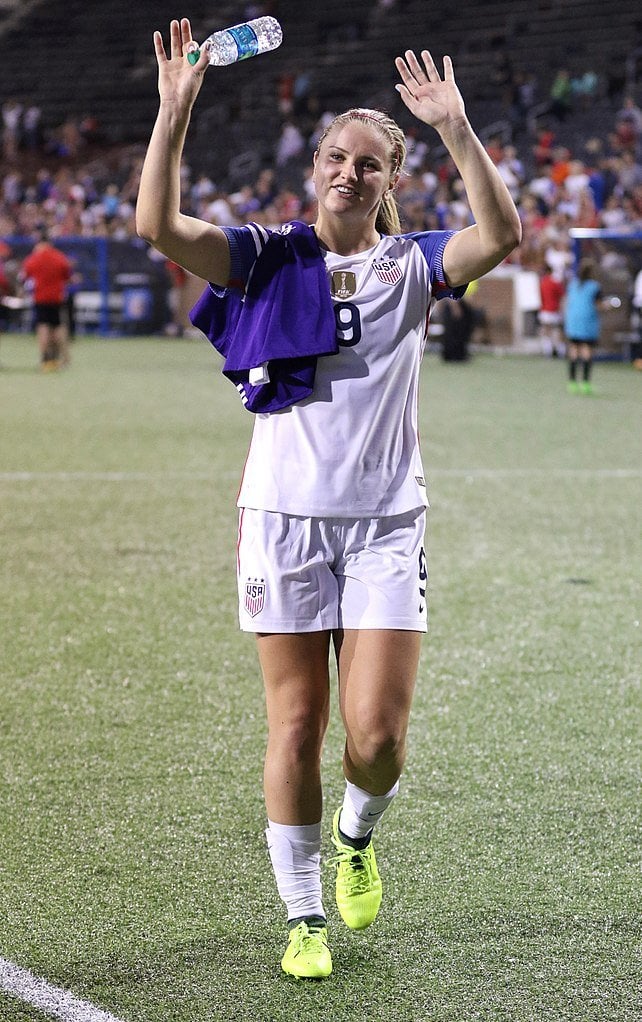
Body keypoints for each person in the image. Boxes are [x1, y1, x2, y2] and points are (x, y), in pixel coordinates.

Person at [136, 17, 522, 980]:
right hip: (283, 521)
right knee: (297, 725)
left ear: (392, 181)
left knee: (378, 737)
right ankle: (303, 913)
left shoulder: (412, 266)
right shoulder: (267, 255)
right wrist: (173, 115)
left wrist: (456, 129)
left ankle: (356, 836)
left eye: (371, 164)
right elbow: (157, 228)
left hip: (389, 523)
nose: (352, 173)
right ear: (315, 167)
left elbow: (503, 235)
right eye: (338, 158)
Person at [21, 228, 72, 370]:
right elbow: (67, 277)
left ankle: (45, 358)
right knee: (58, 327)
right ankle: (65, 358)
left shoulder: (33, 259)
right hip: (57, 297)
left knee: (43, 327)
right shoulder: (60, 257)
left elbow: (25, 277)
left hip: (40, 298)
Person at [563, 258, 603, 394]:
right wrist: (608, 306)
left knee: (573, 351)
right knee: (586, 351)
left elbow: (568, 302)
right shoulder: (595, 287)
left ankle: (572, 383)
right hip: (587, 322)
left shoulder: (572, 284)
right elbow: (598, 305)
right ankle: (585, 383)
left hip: (572, 321)